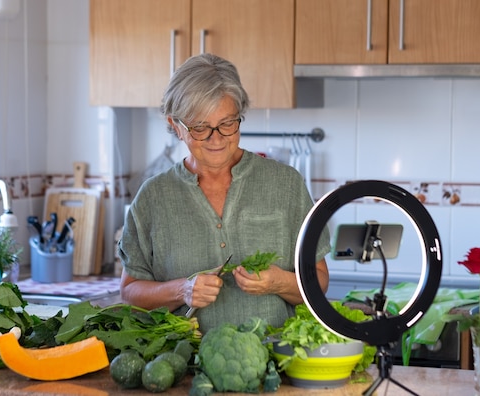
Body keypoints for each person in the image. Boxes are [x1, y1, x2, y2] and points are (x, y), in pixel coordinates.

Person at [117, 53, 330, 333]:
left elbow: (320, 281)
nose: (216, 139)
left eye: (228, 123)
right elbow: (130, 294)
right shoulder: (153, 197)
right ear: (175, 126)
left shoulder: (286, 185)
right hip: (184, 368)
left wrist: (279, 282)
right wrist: (182, 290)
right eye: (200, 128)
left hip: (275, 363)